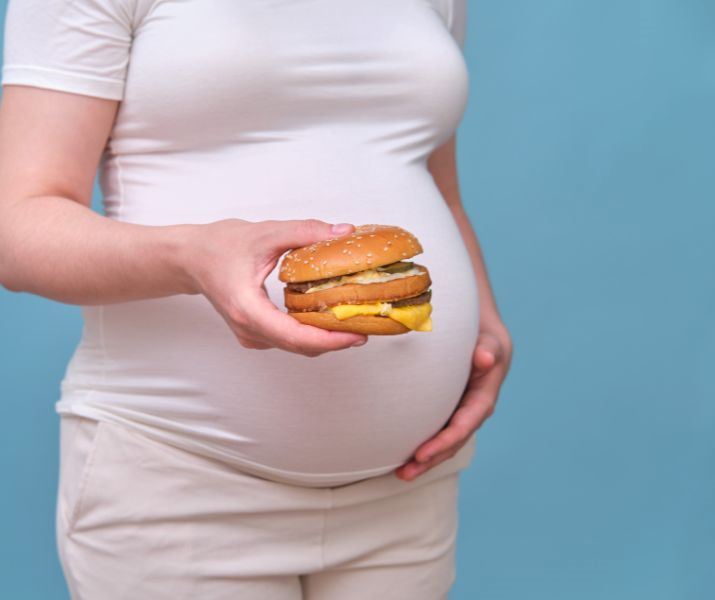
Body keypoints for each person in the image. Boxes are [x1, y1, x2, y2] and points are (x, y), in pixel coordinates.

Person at [0, 0, 513, 597]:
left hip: (408, 488)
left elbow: (427, 178)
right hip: (183, 489)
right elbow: (16, 227)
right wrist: (191, 258)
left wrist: (486, 325)